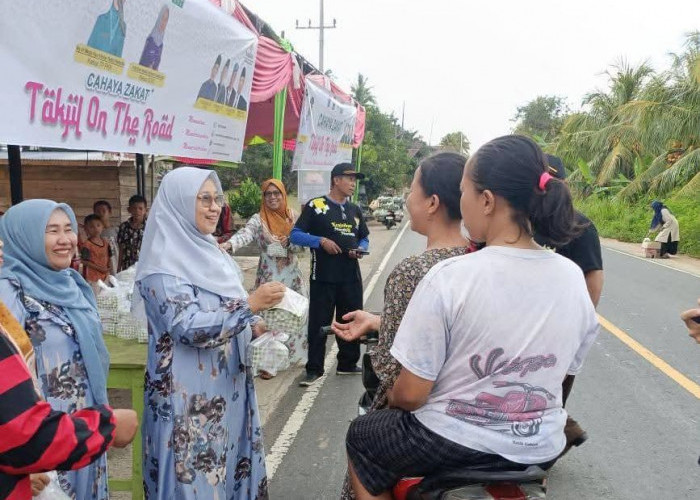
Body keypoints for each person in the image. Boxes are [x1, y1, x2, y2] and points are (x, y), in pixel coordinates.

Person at [344, 135, 600, 500]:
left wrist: (395, 401)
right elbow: (564, 378)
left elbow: (413, 395)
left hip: (455, 442)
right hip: (540, 447)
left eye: (464, 191)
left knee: (363, 436)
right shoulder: (572, 277)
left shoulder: (451, 276)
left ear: (487, 200)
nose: (460, 202)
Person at [135, 167, 284, 500]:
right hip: (188, 404)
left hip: (227, 394)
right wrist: (250, 305)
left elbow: (229, 309)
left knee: (230, 470)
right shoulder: (161, 268)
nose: (214, 207)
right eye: (204, 199)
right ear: (179, 203)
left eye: (217, 198)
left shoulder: (213, 254)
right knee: (193, 481)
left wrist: (257, 333)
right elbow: (186, 327)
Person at [332, 152, 475, 500]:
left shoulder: (411, 272)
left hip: (428, 420)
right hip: (479, 411)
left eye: (412, 190)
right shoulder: (480, 261)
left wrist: (383, 336)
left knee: (362, 439)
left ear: (432, 203)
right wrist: (379, 321)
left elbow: (395, 374)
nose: (408, 199)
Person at [0, 236, 139, 500]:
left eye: (68, 228)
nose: (0, 244)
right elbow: (21, 432)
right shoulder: (11, 292)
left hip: (68, 424)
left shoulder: (72, 283)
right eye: (51, 229)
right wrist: (107, 425)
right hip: (48, 432)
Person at [534, 154, 604, 451]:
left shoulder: (579, 226)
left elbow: (593, 280)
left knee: (549, 396)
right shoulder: (522, 221)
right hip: (520, 325)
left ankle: (543, 452)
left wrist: (576, 327)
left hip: (558, 332)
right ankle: (565, 430)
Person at [290, 163, 369, 386]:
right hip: (323, 277)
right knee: (319, 323)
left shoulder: (355, 209)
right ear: (336, 180)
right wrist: (320, 241)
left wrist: (361, 248)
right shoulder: (316, 206)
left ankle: (347, 363)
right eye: (349, 178)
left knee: (352, 319)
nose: (353, 183)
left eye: (355, 179)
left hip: (350, 276)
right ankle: (314, 368)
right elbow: (295, 235)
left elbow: (364, 237)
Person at [221, 179, 308, 370]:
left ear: (283, 195)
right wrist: (229, 245)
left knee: (292, 316)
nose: (272, 197)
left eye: (276, 193)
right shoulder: (258, 218)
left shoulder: (294, 218)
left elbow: (303, 247)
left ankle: (291, 359)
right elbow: (246, 233)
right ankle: (269, 364)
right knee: (268, 321)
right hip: (268, 278)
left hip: (291, 279)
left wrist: (291, 242)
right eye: (268, 194)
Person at [117, 194, 148, 271]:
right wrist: (118, 268)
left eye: (140, 208)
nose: (137, 211)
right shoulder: (124, 227)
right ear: (129, 210)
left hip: (145, 266)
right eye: (134, 208)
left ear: (145, 210)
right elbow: (121, 248)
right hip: (127, 266)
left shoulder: (150, 227)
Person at [80, 214, 112, 284]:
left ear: (102, 226)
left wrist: (108, 268)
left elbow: (109, 256)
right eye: (91, 227)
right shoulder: (87, 245)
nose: (96, 229)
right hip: (93, 278)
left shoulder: (106, 243)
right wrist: (100, 269)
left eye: (98, 225)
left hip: (105, 276)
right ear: (86, 229)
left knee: (106, 294)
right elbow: (84, 261)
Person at [139, 5, 169, 70]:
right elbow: (144, 60)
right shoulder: (151, 39)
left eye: (166, 19)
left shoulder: (161, 44)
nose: (163, 22)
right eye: (162, 18)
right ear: (159, 18)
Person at [93, 200, 119, 275]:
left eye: (103, 211)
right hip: (101, 266)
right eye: (98, 211)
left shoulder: (117, 230)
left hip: (116, 263)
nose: (100, 214)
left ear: (110, 212)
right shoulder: (95, 234)